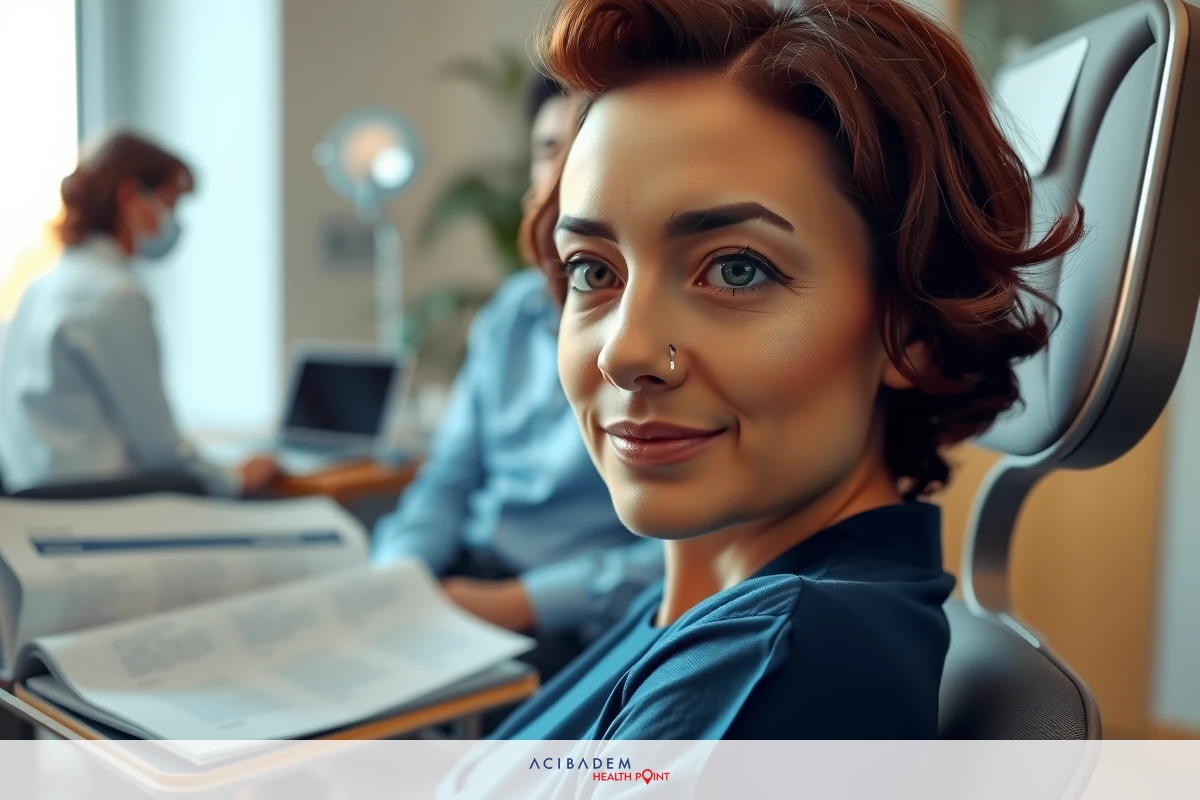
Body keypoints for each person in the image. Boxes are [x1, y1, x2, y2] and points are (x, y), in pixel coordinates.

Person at [455, 0, 1087, 749]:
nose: (622, 352)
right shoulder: (703, 599)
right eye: (594, 269)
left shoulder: (784, 655)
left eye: (736, 268)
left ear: (909, 328)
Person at [372, 76, 663, 680]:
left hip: (571, 614)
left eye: (584, 144)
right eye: (546, 149)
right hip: (469, 571)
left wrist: (522, 604)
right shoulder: (509, 312)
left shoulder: (657, 331)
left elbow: (695, 548)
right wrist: (400, 575)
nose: (560, 173)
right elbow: (449, 476)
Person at [0, 132, 278, 496]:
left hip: (32, 503)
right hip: (98, 507)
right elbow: (161, 448)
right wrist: (235, 478)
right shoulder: (115, 295)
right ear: (130, 196)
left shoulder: (43, 286)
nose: (174, 222)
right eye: (171, 204)